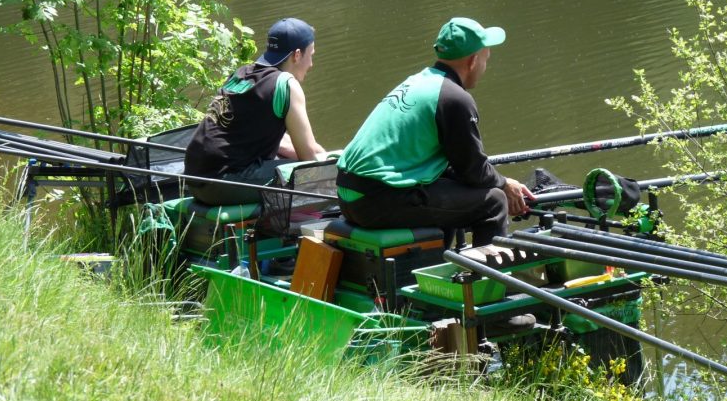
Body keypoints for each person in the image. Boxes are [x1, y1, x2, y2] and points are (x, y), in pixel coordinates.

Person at [336, 17, 534, 247]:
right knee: (494, 203)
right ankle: (486, 279)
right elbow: (473, 171)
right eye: (486, 59)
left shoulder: (418, 82)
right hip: (376, 201)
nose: (485, 67)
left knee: (449, 192)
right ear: (472, 61)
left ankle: (437, 266)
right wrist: (504, 184)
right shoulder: (454, 98)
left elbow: (456, 166)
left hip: (348, 196)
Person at [185, 17, 325, 205]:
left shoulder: (242, 74)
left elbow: (283, 144)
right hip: (222, 186)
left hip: (195, 181)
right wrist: (331, 166)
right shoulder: (286, 84)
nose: (311, 64)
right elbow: (309, 159)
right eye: (311, 55)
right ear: (297, 55)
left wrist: (320, 152)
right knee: (311, 177)